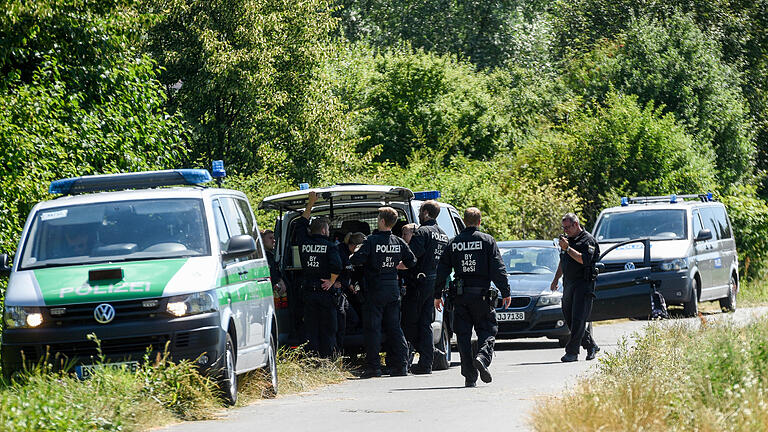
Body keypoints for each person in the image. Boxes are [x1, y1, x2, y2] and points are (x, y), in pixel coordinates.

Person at [435, 207, 511, 387]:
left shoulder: (454, 243)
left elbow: (442, 271)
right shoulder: (487, 241)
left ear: (464, 220)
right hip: (482, 296)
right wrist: (505, 292)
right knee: (487, 330)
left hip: (460, 297)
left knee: (463, 336)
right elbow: (497, 268)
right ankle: (483, 358)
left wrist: (437, 294)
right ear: (479, 221)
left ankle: (470, 376)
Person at [350, 207, 417, 378]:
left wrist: (354, 254)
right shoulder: (398, 241)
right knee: (395, 328)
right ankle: (401, 365)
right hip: (393, 289)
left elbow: (357, 259)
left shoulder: (371, 241)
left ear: (381, 221)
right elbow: (412, 261)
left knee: (373, 328)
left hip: (375, 289)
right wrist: (396, 266)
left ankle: (374, 367)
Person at [402, 202, 449, 374]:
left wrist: (393, 266)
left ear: (426, 213)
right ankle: (427, 362)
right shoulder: (443, 234)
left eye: (421, 211)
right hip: (434, 283)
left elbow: (411, 258)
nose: (420, 214)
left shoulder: (422, 232)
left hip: (419, 283)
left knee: (409, 323)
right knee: (425, 323)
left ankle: (420, 357)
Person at [295, 192, 343, 358]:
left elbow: (301, 223)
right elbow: (337, 265)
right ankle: (328, 359)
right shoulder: (330, 246)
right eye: (328, 229)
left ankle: (313, 360)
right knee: (328, 328)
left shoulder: (303, 241)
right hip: (324, 292)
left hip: (308, 291)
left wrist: (310, 203)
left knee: (311, 328)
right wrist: (331, 281)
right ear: (323, 230)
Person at [549, 213, 601, 362]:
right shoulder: (568, 240)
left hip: (583, 284)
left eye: (567, 227)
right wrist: (556, 279)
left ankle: (572, 352)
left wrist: (568, 248)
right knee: (569, 318)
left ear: (575, 224)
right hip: (569, 283)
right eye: (563, 228)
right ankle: (590, 345)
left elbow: (584, 260)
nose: (565, 231)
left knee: (578, 318)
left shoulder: (588, 240)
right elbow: (563, 261)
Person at [261, 229, 287, 300]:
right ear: (262, 240)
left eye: (274, 238)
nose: (274, 241)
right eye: (270, 238)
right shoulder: (262, 259)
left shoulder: (271, 256)